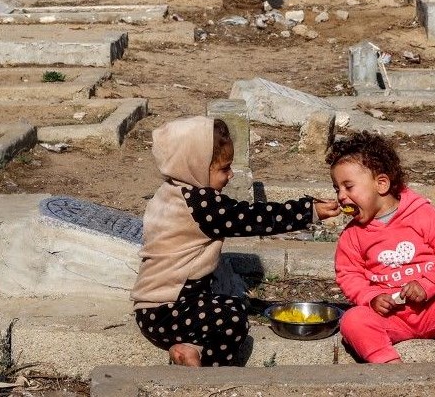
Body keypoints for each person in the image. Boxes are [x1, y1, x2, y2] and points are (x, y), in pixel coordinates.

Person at [131, 116, 340, 367]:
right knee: (233, 317)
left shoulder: (170, 192)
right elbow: (253, 218)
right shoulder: (201, 204)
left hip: (155, 311)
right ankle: (202, 365)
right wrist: (308, 211)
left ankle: (189, 348)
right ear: (195, 166)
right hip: (169, 312)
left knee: (227, 304)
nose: (230, 175)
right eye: (223, 168)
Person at [326, 131, 435, 363]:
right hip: (389, 317)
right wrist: (372, 297)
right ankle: (394, 371)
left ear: (381, 183)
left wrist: (428, 285)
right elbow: (349, 274)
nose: (341, 196)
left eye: (349, 187)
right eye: (337, 188)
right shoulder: (353, 235)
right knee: (353, 321)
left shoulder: (422, 215)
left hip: (432, 307)